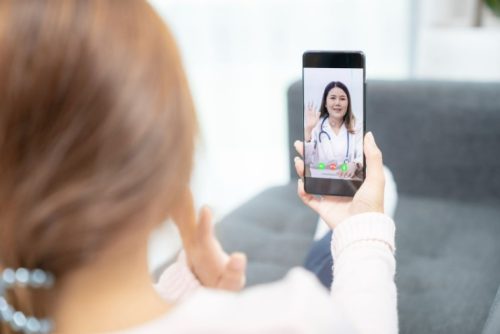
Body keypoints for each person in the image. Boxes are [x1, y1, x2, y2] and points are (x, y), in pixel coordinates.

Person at [0, 1, 397, 333]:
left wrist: (184, 287)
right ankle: (338, 230)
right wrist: (362, 231)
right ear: (171, 165)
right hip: (336, 275)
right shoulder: (296, 315)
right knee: (341, 241)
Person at [304, 81, 363, 179]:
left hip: (348, 182)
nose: (337, 103)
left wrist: (355, 164)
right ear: (325, 103)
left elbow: (362, 155)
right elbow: (307, 160)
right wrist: (308, 129)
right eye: (332, 98)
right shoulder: (316, 125)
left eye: (342, 99)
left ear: (348, 104)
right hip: (321, 183)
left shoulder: (357, 125)